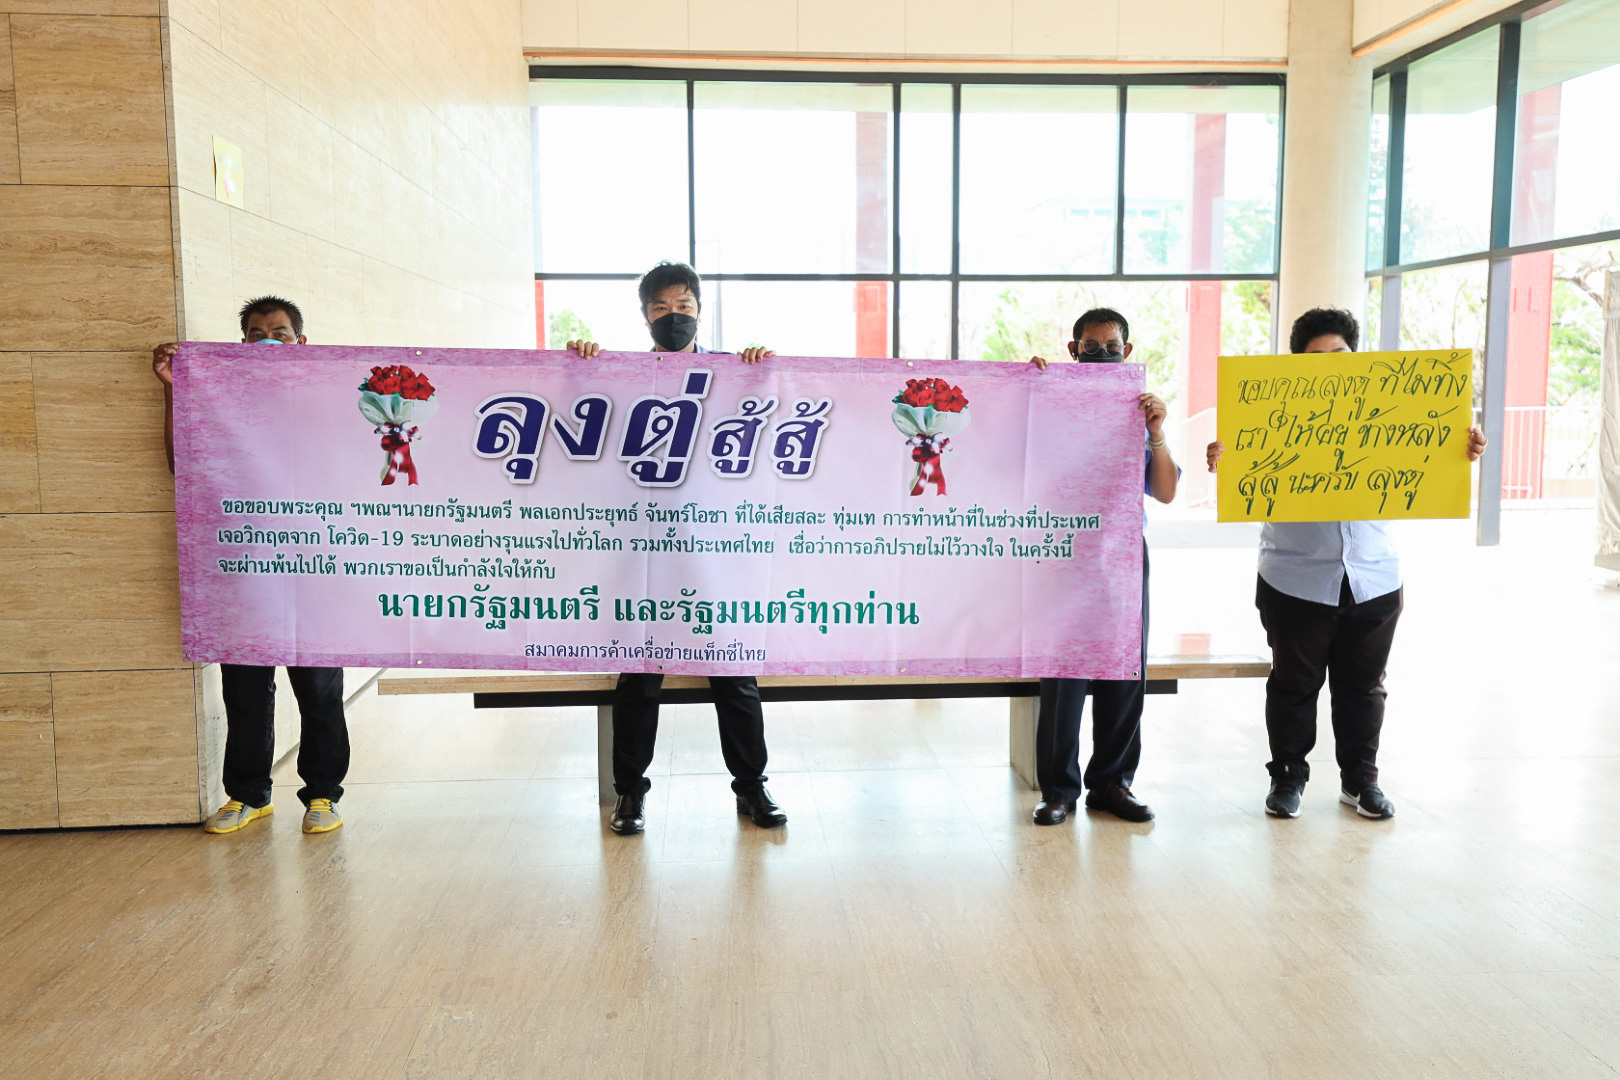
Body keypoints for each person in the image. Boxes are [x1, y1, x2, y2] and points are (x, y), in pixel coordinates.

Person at [1206, 307, 1487, 819]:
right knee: (1293, 685)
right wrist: (1225, 460)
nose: (1329, 365)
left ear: (1356, 356)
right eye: (1315, 358)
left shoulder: (1393, 406)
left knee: (1365, 687)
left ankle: (1361, 782)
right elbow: (1243, 469)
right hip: (1294, 575)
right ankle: (1287, 779)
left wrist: (1458, 451)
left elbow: (1425, 458)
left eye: (1339, 354)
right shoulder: (1271, 414)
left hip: (1374, 573)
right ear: (1296, 365)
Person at [567, 261, 787, 836]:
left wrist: (760, 369)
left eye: (683, 306)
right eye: (661, 308)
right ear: (645, 316)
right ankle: (630, 793)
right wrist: (580, 365)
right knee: (640, 674)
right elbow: (579, 417)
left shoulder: (730, 373)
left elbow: (770, 420)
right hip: (642, 550)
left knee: (733, 670)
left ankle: (752, 787)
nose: (674, 317)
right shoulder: (623, 377)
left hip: (711, 551)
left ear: (699, 311)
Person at [153, 296, 349, 836]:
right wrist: (175, 388)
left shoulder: (325, 401)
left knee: (319, 691)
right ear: (242, 343)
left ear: (301, 343)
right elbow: (183, 465)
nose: (267, 341)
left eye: (279, 333)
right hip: (244, 569)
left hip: (314, 568)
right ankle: (248, 796)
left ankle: (323, 795)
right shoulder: (224, 403)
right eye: (257, 333)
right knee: (244, 691)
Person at [1026, 308, 1178, 825]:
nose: (1101, 354)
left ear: (1126, 352)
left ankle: (1112, 782)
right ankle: (1059, 790)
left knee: (1124, 669)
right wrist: (1027, 392)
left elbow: (1165, 491)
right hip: (1062, 551)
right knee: (1063, 675)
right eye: (1090, 347)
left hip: (1122, 555)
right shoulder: (1048, 403)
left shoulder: (1138, 411)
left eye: (1111, 347)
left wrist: (1156, 432)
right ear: (1073, 351)